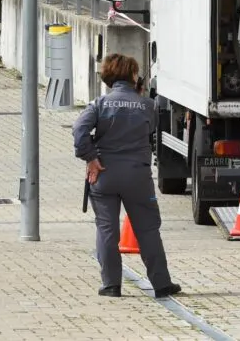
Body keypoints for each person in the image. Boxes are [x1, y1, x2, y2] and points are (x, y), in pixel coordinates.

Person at [73, 52, 180, 298]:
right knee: (148, 229)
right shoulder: (147, 105)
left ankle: (111, 285)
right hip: (137, 177)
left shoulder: (99, 104)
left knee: (106, 229)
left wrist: (90, 157)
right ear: (134, 76)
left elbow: (79, 130)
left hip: (104, 174)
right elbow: (151, 128)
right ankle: (161, 284)